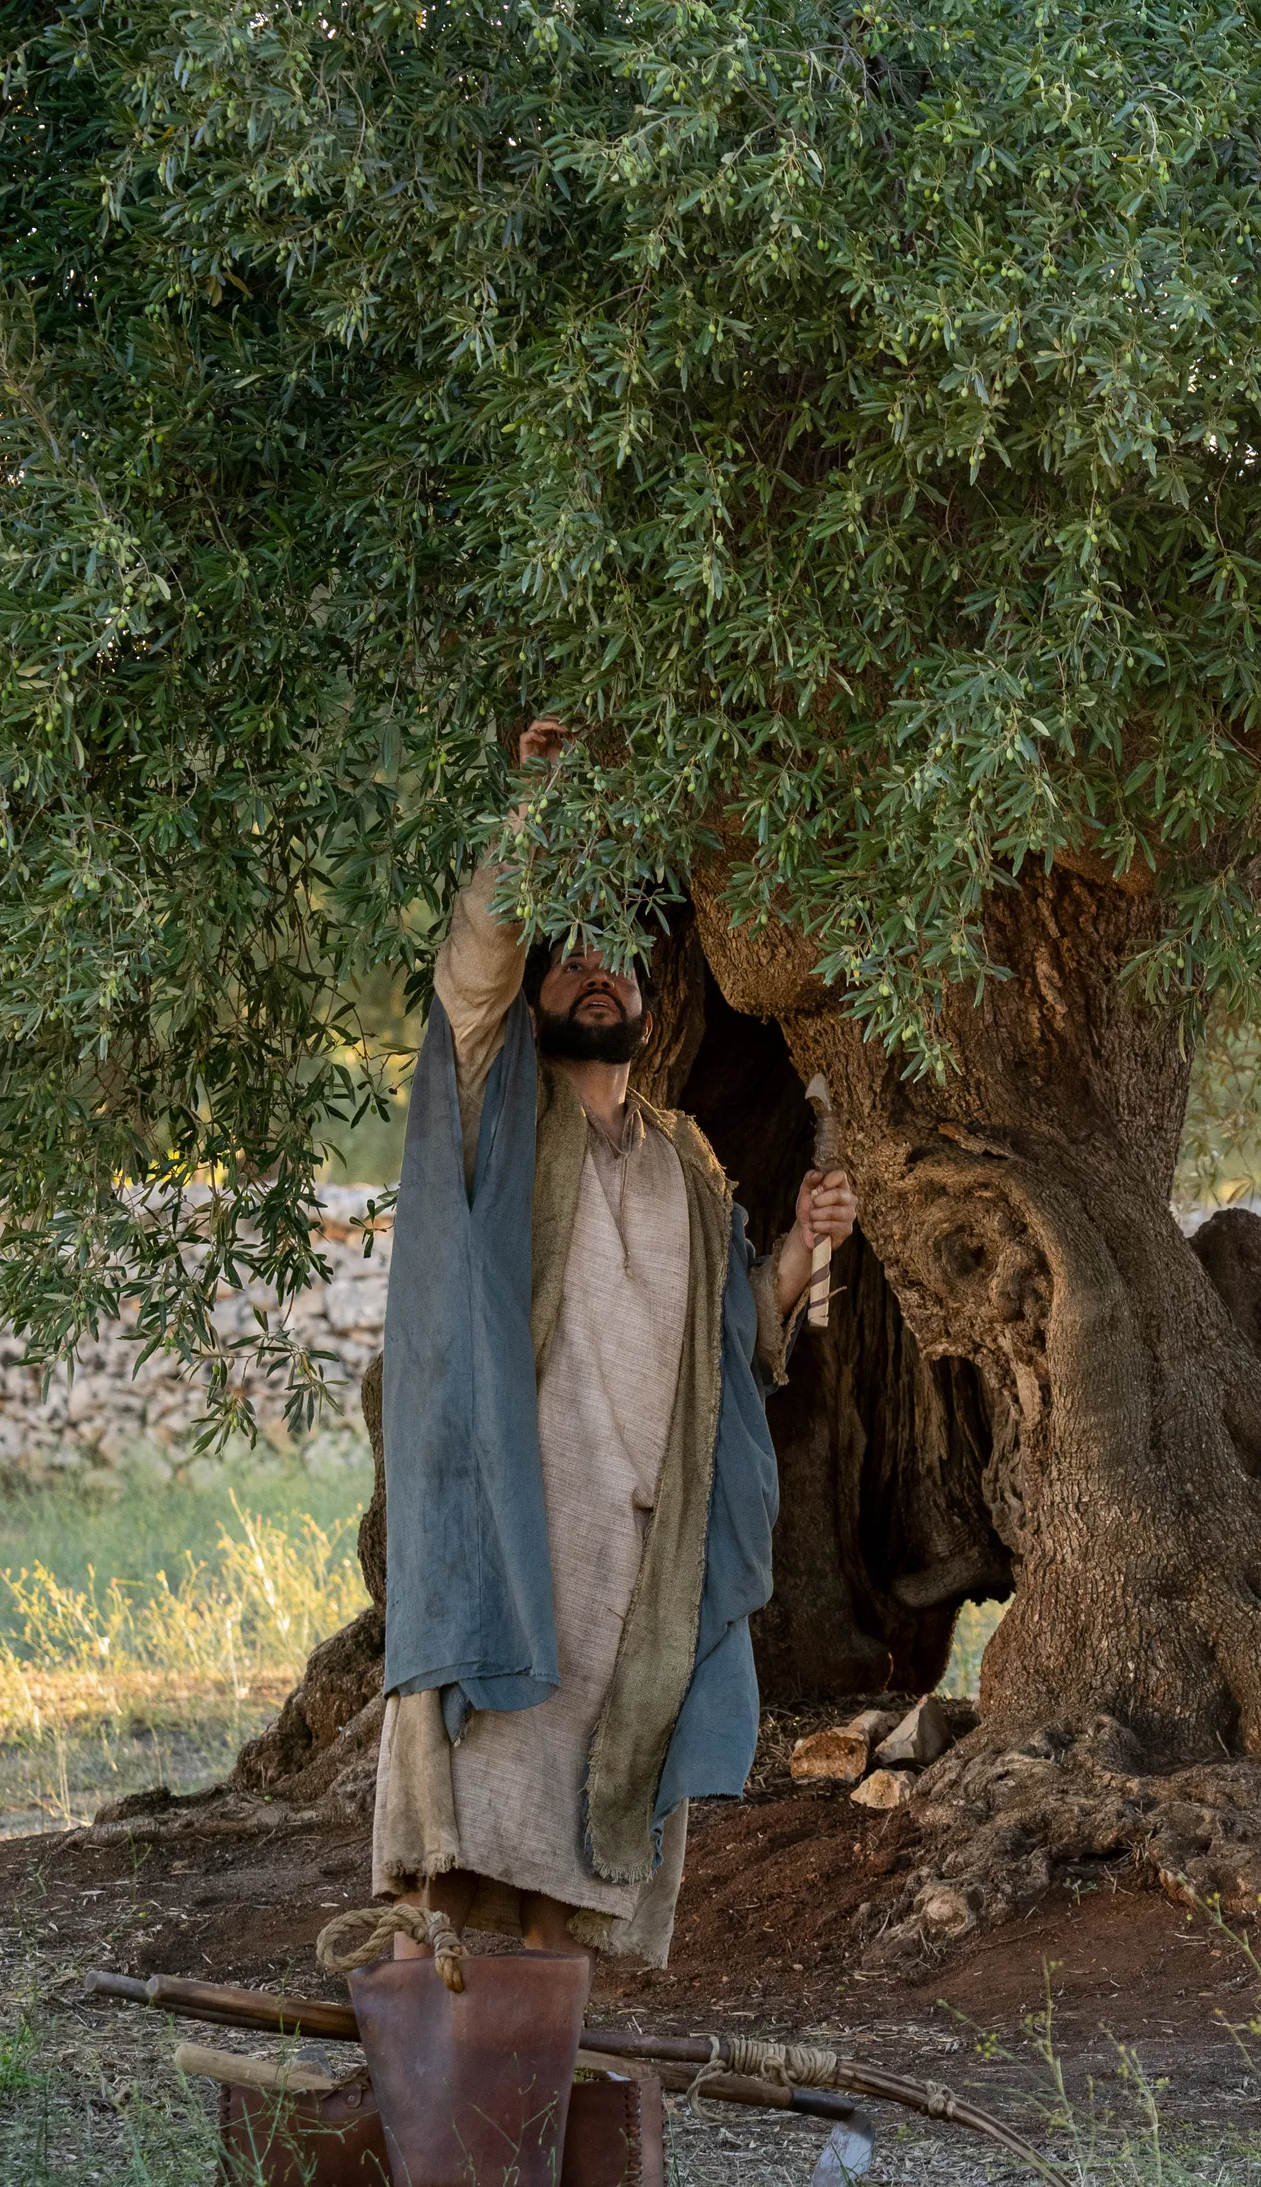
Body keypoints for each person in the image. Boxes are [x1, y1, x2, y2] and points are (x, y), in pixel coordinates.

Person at [369, 717, 858, 1969]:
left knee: (571, 1893)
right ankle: (432, 2073)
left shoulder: (688, 1163)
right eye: (572, 956)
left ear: (648, 1000)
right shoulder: (498, 1107)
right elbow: (473, 961)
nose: (599, 973)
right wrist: (535, 810)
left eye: (620, 962)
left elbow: (731, 1347)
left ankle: (539, 2073)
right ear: (536, 994)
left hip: (632, 1568)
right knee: (451, 1877)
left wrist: (799, 1252)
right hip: (513, 1542)